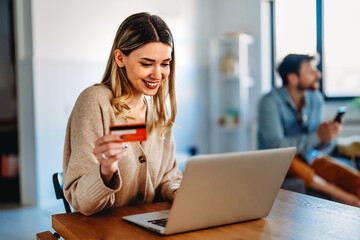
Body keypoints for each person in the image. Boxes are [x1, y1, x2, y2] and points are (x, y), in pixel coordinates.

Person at [63, 12, 182, 216]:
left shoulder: (159, 113)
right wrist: (105, 171)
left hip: (147, 226)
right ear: (120, 58)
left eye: (165, 63)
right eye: (146, 64)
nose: (157, 74)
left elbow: (168, 177)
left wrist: (176, 191)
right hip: (105, 231)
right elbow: (80, 200)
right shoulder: (95, 102)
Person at [258, 54, 360, 207]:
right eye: (310, 70)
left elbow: (321, 147)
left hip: (310, 156)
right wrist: (317, 136)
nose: (318, 74)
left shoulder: (316, 98)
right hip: (279, 161)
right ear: (293, 78)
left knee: (355, 180)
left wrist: (327, 137)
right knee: (287, 157)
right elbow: (276, 145)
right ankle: (338, 193)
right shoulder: (269, 102)